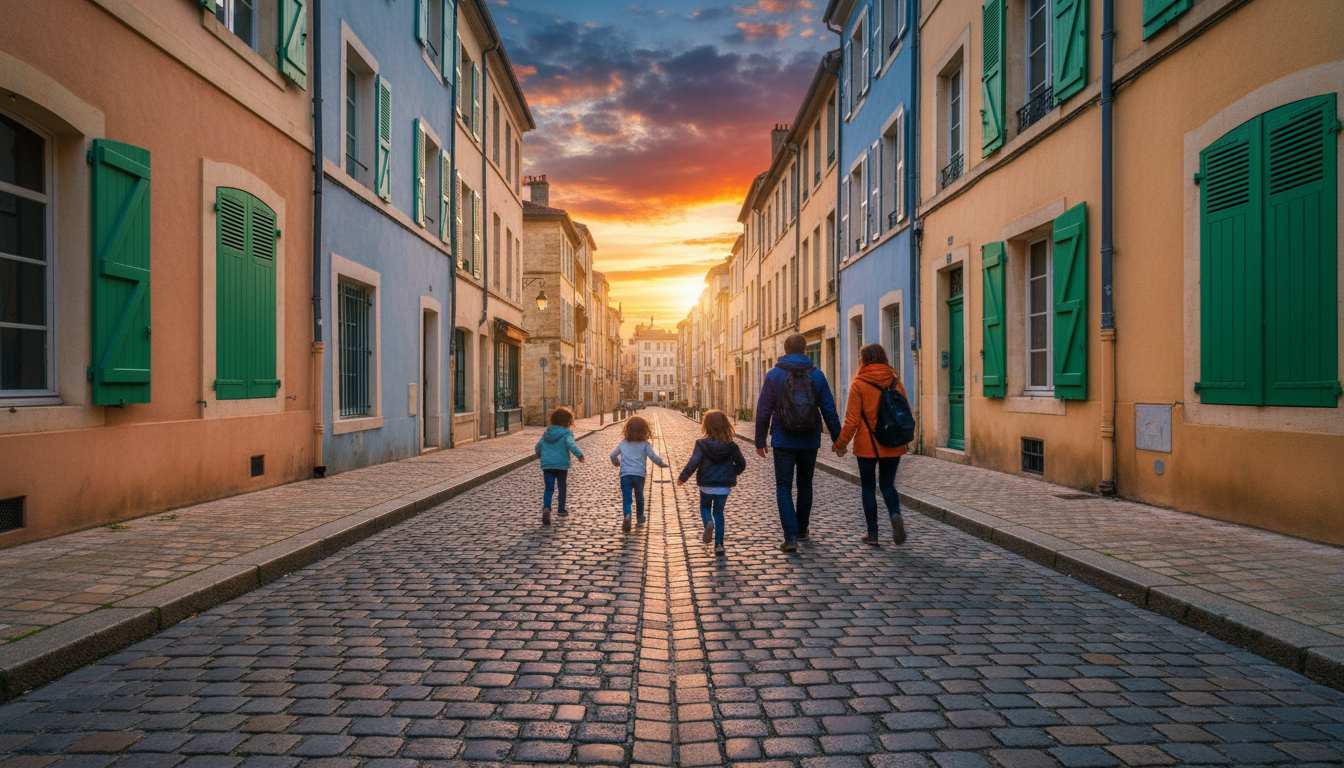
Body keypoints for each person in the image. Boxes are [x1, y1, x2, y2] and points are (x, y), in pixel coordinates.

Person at [754, 333, 842, 552]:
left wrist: (760, 440)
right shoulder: (817, 374)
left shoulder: (774, 374)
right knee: (805, 484)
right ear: (805, 350)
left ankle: (790, 537)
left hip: (783, 440)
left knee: (783, 486)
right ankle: (802, 529)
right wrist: (838, 439)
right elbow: (829, 408)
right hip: (809, 440)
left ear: (784, 351)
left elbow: (764, 410)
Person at [832, 343, 909, 546]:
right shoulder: (894, 380)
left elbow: (851, 421)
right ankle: (895, 515)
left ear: (864, 359)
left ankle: (873, 534)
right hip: (892, 442)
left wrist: (840, 444)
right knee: (888, 485)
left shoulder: (859, 383)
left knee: (868, 487)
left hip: (868, 445)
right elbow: (906, 411)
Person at [676, 409, 747, 557]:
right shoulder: (731, 446)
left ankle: (708, 522)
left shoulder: (701, 444)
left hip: (706, 484)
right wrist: (733, 472)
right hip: (724, 486)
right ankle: (719, 545)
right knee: (719, 513)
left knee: (705, 507)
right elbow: (741, 463)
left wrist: (683, 477)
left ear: (706, 426)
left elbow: (694, 462)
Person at [609, 415, 668, 532]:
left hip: (625, 475)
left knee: (627, 498)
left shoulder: (623, 443)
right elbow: (653, 456)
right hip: (639, 475)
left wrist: (617, 463)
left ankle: (627, 515)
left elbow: (612, 455)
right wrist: (661, 464)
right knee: (639, 496)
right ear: (644, 430)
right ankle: (640, 518)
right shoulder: (645, 444)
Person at [535, 407, 584, 525]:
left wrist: (541, 456)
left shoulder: (547, 432)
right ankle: (561, 509)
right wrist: (579, 455)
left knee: (549, 488)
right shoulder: (567, 433)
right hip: (561, 466)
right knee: (562, 487)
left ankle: (547, 508)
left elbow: (538, 447)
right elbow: (571, 445)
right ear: (568, 421)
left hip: (547, 465)